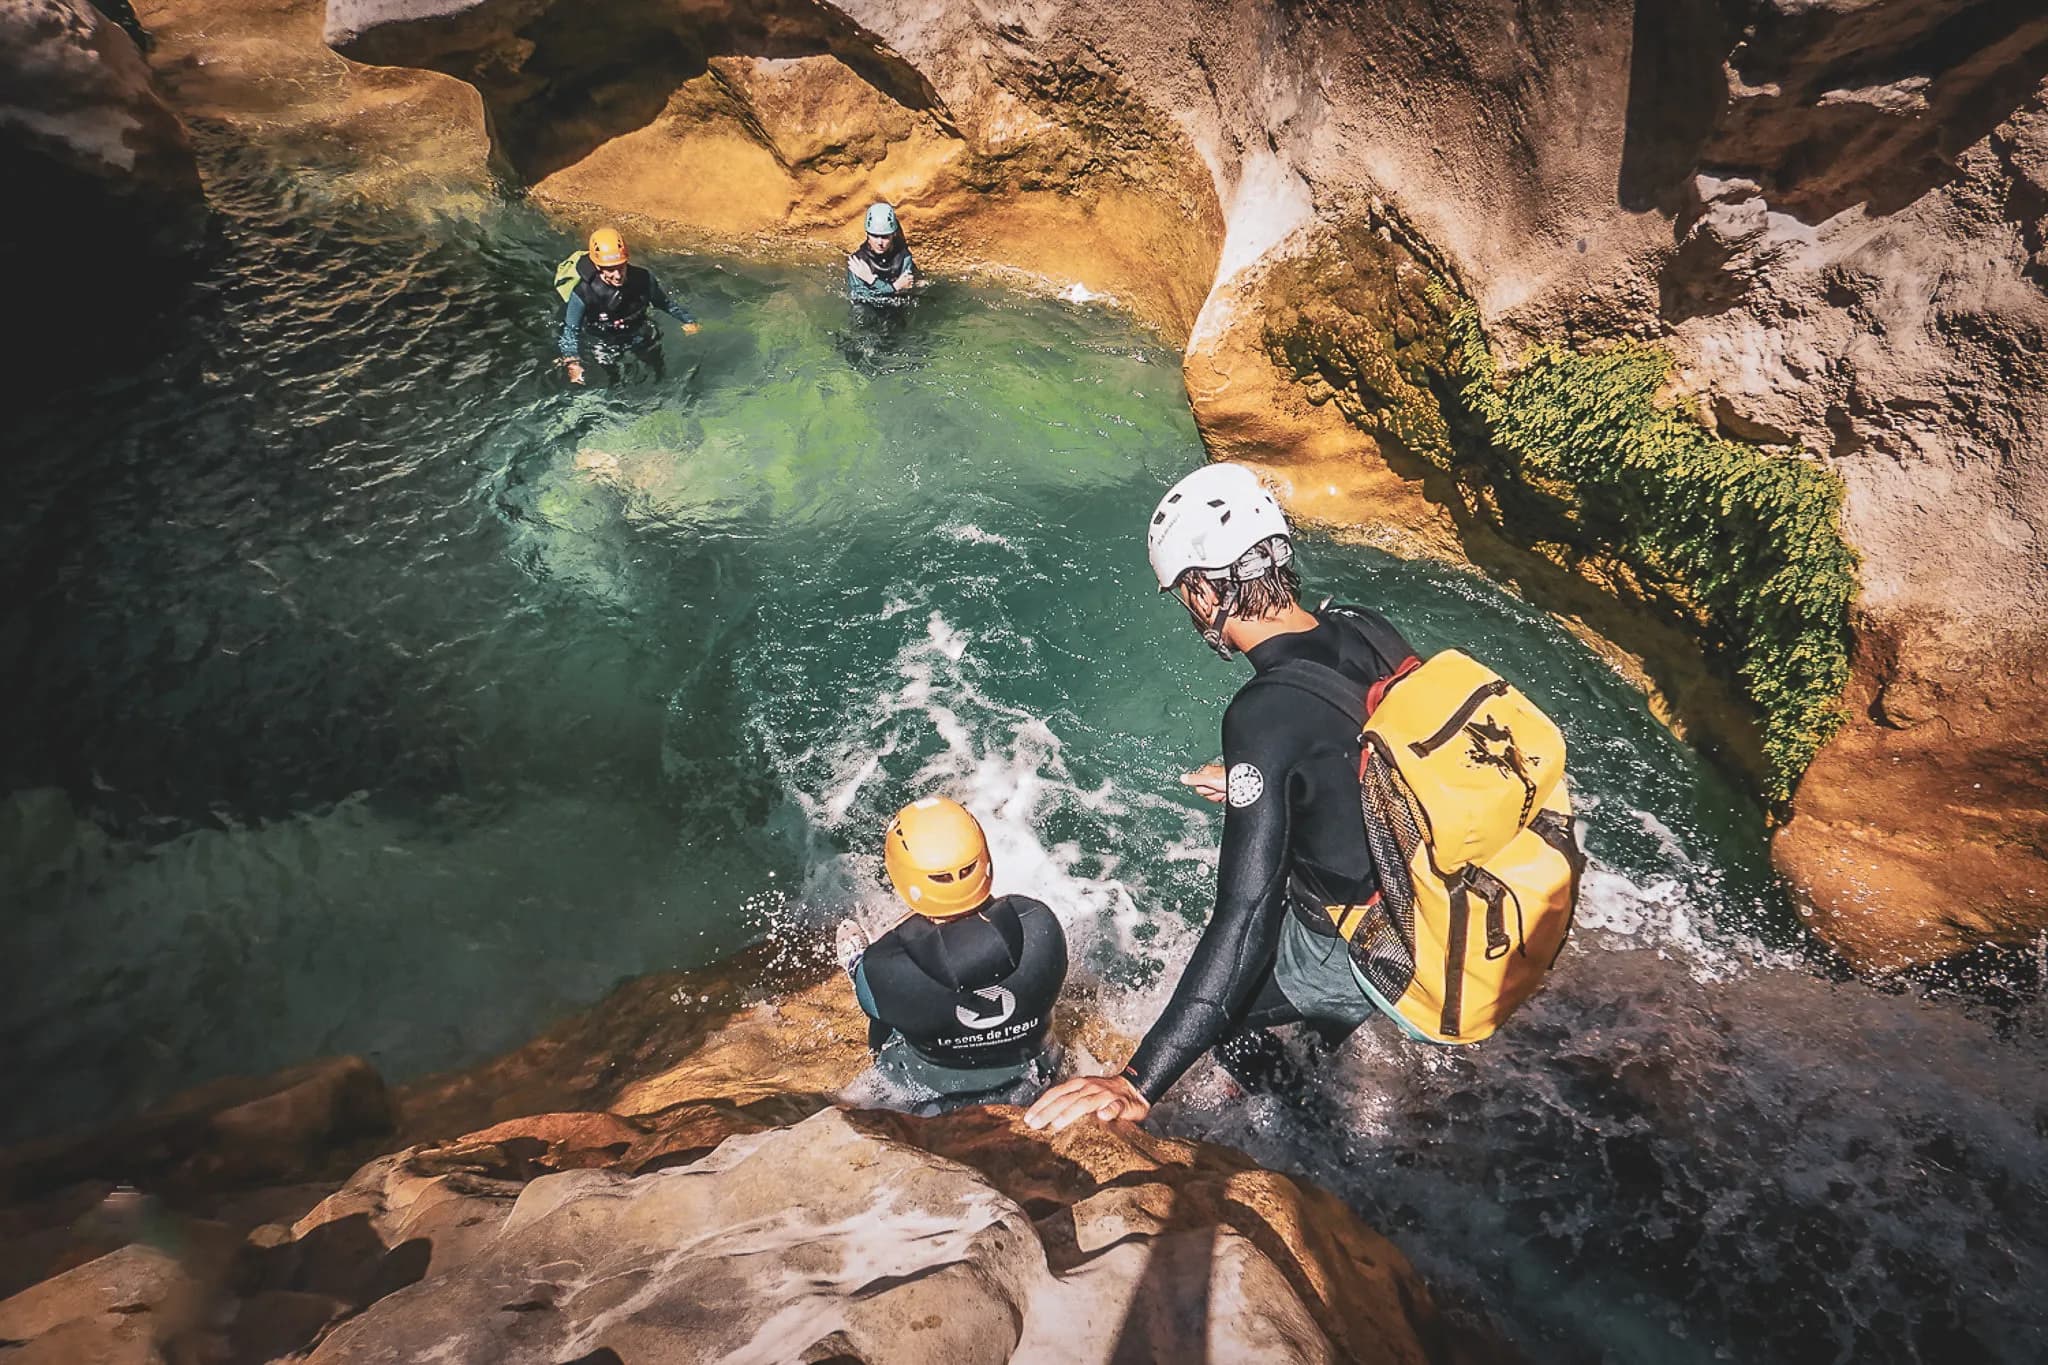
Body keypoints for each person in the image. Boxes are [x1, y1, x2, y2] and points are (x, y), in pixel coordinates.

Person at [1025, 463, 1417, 1132]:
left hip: (1369, 939)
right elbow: (1367, 745)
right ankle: (1322, 1044)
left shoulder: (1262, 716)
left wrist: (1138, 1080)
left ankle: (1307, 1124)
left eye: (1184, 594)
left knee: (1221, 1015)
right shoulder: (1363, 626)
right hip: (1425, 884)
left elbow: (1245, 916)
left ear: (1205, 591)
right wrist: (1266, 783)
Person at [837, 796, 1067, 1109]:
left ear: (902, 876)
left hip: (931, 1095)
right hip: (1037, 1076)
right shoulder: (1040, 923)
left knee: (879, 1008)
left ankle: (853, 964)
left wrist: (867, 965)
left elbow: (882, 995)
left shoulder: (884, 965)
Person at [556, 226, 698, 385]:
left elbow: (664, 303)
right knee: (613, 376)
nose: (617, 275)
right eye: (610, 269)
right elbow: (571, 329)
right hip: (603, 340)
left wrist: (688, 320)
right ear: (598, 267)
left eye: (620, 266)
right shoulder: (583, 292)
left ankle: (661, 383)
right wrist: (572, 362)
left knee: (657, 365)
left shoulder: (643, 278)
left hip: (638, 331)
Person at [846, 202, 916, 302]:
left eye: (885, 237)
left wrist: (871, 280)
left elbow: (905, 291)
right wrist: (894, 287)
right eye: (874, 236)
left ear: (893, 234)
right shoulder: (857, 261)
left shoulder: (904, 257)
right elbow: (860, 299)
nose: (879, 242)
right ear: (867, 234)